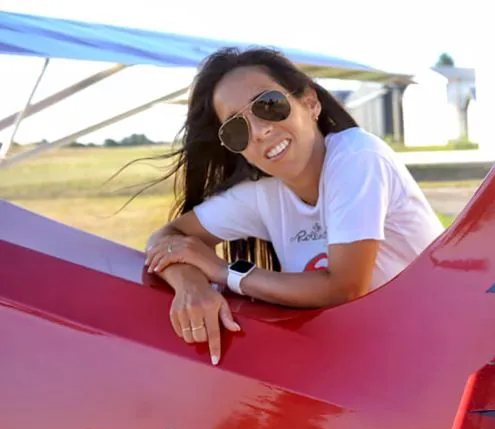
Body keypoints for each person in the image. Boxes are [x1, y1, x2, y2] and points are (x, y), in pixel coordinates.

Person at [139, 47, 444, 365]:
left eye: (268, 105)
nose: (259, 131)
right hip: (372, 361)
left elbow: (345, 288)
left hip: (442, 350)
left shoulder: (357, 157)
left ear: (310, 103)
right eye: (237, 130)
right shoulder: (261, 193)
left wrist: (221, 271)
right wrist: (191, 284)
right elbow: (167, 238)